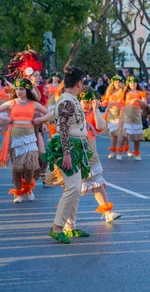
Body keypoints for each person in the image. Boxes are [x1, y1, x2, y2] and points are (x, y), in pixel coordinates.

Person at [46, 66, 90, 244]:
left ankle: (70, 226)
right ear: (79, 83)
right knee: (72, 187)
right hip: (68, 148)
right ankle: (57, 227)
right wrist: (66, 154)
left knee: (75, 186)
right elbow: (63, 129)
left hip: (76, 147)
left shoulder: (70, 99)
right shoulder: (67, 101)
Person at [0, 78, 53, 203]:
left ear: (27, 90)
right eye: (17, 89)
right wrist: (5, 119)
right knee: (17, 167)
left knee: (29, 166)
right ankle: (18, 193)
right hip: (15, 137)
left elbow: (50, 113)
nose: (19, 91)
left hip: (29, 137)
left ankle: (28, 189)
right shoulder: (12, 103)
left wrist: (40, 120)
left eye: (21, 89)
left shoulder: (34, 104)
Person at [78, 90, 121, 223]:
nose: (87, 105)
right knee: (72, 188)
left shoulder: (93, 113)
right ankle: (67, 219)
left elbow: (101, 127)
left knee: (97, 183)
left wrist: (96, 109)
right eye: (84, 102)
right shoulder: (73, 113)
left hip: (91, 152)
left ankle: (108, 213)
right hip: (75, 151)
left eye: (90, 102)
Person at [117, 76, 147, 161]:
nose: (133, 84)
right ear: (128, 84)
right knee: (124, 133)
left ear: (137, 83)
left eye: (134, 82)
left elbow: (145, 104)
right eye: (131, 83)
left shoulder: (141, 93)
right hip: (127, 113)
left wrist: (138, 100)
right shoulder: (125, 93)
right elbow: (121, 101)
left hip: (136, 114)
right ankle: (119, 152)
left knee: (137, 135)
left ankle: (136, 154)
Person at [101, 76, 125, 159]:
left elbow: (126, 101)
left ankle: (120, 151)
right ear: (113, 83)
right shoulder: (110, 92)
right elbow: (106, 102)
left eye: (119, 82)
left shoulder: (123, 92)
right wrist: (103, 103)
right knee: (113, 134)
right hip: (112, 114)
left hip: (121, 113)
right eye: (115, 82)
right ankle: (113, 151)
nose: (117, 84)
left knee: (121, 134)